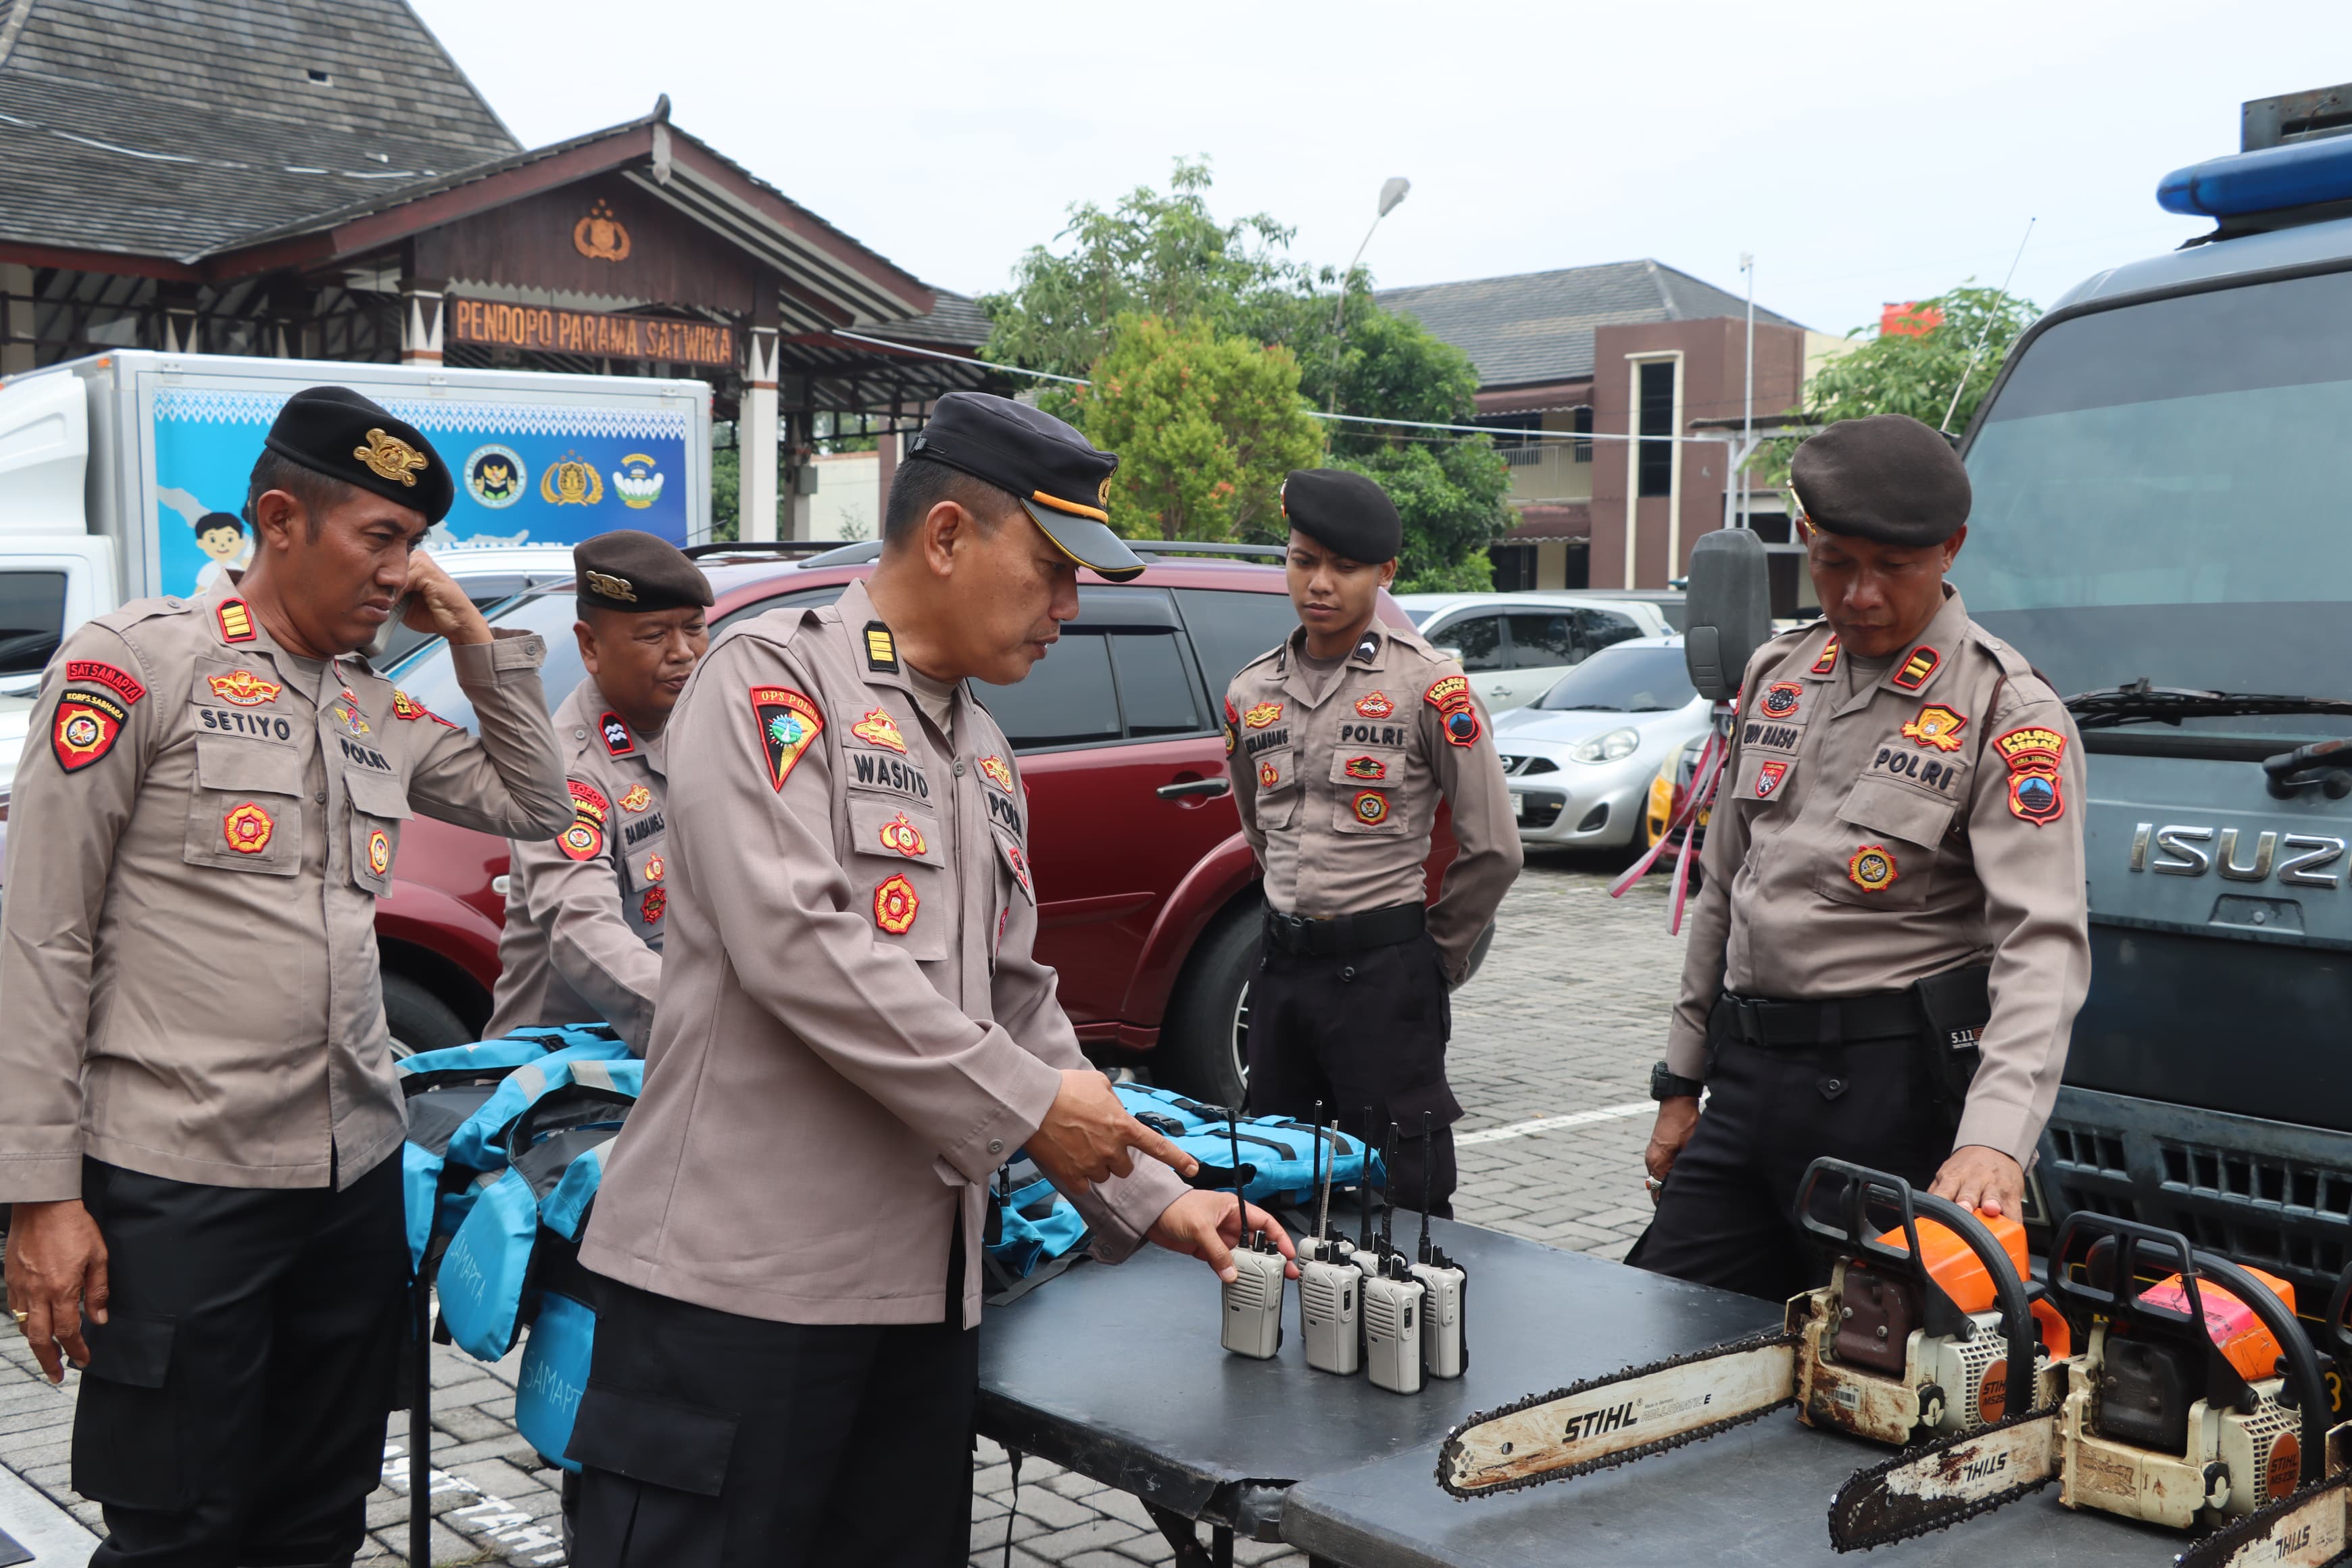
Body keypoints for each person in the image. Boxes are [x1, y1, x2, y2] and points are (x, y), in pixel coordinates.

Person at [566, 391, 1294, 1567]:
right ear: (948, 535)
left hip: (919, 1307)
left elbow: (1014, 996)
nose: (1070, 608)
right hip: (740, 1300)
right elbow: (796, 943)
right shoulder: (771, 683)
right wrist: (1031, 1109)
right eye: (1053, 570)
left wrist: (1154, 1196)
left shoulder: (982, 750)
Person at [0, 387, 572, 1567]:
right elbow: (39, 935)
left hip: (350, 1184)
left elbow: (536, 804)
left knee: (319, 1515)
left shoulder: (372, 705)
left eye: (416, 545)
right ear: (279, 519)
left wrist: (477, 643)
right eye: (382, 538)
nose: (401, 572)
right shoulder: (138, 665)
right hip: (181, 1182)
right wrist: (42, 1197)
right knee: (181, 1529)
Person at [1634, 413, 2090, 1302]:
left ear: (1951, 549)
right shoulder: (1778, 675)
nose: (1861, 595)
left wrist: (1994, 1140)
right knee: (1660, 1325)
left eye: (1894, 567)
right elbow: (1724, 888)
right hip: (1746, 1082)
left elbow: (2042, 945)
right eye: (1835, 562)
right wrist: (1680, 1083)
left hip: (1891, 1102)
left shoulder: (2006, 710)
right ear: (1807, 542)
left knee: (1869, 1367)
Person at [1222, 469, 1521, 1217]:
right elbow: (1259, 828)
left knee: (1405, 1198)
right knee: (1280, 1183)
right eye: (1303, 561)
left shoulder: (1430, 686)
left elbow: (1494, 847)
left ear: (1385, 573)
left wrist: (1433, 959)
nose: (1319, 583)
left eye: (1344, 567)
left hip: (1385, 981)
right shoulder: (1251, 692)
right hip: (1281, 978)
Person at [485, 531, 712, 1052]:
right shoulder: (566, 772)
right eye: (654, 635)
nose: (683, 653)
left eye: (695, 628)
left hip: (671, 1049)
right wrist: (698, 1024)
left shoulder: (710, 729)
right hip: (566, 1063)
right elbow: (582, 927)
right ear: (591, 646)